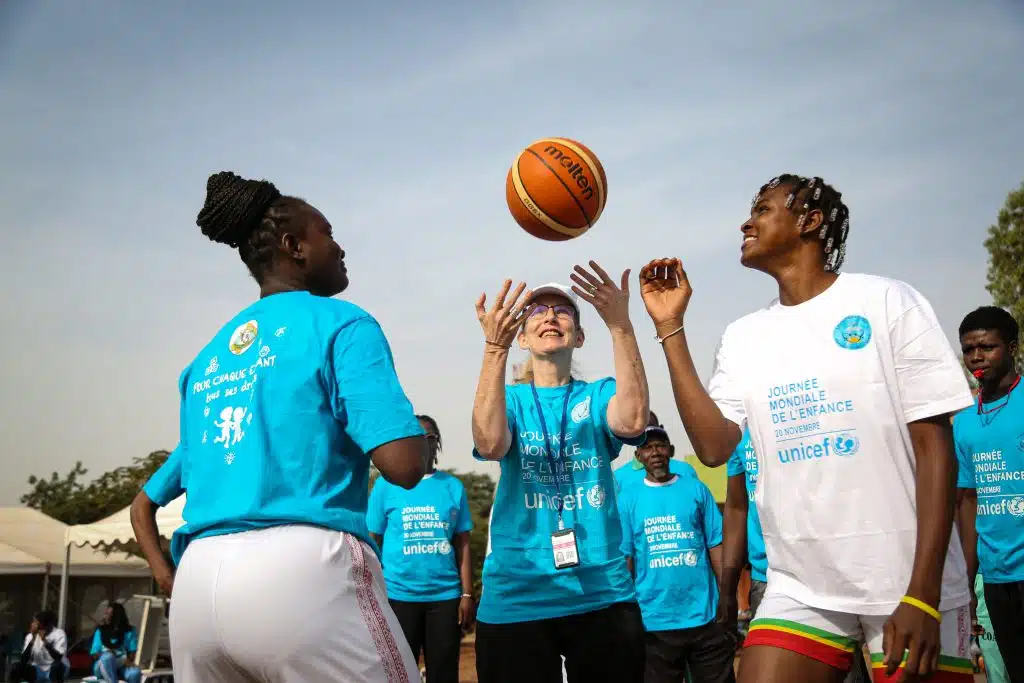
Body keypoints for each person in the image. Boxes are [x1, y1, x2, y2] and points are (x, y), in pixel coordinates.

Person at [638, 174, 975, 683]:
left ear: (809, 221)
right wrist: (670, 328)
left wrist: (923, 595)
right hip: (800, 583)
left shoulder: (886, 301)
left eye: (764, 208)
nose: (747, 222)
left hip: (903, 579)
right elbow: (713, 446)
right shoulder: (744, 336)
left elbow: (935, 449)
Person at [130, 171, 428, 683]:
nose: (339, 246)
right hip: (302, 573)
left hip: (199, 587)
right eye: (327, 233)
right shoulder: (341, 323)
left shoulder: (206, 359)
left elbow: (149, 501)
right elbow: (403, 466)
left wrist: (167, 572)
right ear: (294, 247)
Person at [470, 266, 651, 683]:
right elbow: (491, 442)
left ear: (580, 336)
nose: (550, 316)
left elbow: (633, 420)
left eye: (564, 310)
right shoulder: (510, 398)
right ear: (521, 335)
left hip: (601, 591)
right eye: (537, 310)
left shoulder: (598, 393)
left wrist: (621, 326)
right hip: (518, 592)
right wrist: (494, 348)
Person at [719, 429, 872, 683]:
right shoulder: (737, 430)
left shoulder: (800, 417)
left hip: (823, 572)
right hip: (766, 579)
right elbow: (736, 506)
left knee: (846, 673)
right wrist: (728, 588)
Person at [617, 417, 736, 683]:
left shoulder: (696, 489)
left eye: (660, 446)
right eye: (647, 448)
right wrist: (626, 613)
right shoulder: (628, 498)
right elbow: (627, 558)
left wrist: (726, 595)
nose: (655, 453)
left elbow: (715, 544)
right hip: (654, 622)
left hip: (705, 618)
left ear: (670, 450)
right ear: (638, 456)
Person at [367, 414, 475, 683]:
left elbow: (462, 543)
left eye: (429, 437)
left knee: (444, 673)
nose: (423, 443)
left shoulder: (452, 487)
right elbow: (372, 541)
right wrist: (373, 593)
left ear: (436, 442)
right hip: (398, 596)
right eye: (416, 437)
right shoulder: (384, 486)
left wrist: (467, 594)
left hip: (445, 598)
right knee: (400, 672)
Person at [953, 305, 1023, 682]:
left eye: (987, 347)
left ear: (1011, 348)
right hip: (995, 577)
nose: (976, 357)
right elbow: (967, 502)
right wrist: (967, 578)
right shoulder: (963, 421)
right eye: (968, 349)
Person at [614, 411, 697, 495]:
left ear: (661, 428)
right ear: (633, 435)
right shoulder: (619, 478)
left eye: (652, 430)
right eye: (641, 432)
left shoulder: (685, 470)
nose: (654, 452)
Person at [89, 602, 143, 683]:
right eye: (105, 614)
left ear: (116, 617)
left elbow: (131, 656)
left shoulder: (130, 631)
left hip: (122, 666)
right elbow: (94, 655)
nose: (105, 616)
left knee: (135, 673)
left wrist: (121, 660)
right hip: (103, 665)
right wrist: (106, 654)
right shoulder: (100, 631)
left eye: (108, 614)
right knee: (108, 657)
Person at [9, 612, 67, 683]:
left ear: (45, 625)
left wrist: (44, 641)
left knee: (58, 666)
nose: (33, 624)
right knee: (16, 667)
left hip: (54, 670)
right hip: (38, 670)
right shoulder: (30, 636)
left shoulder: (59, 634)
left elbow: (58, 657)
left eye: (36, 623)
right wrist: (32, 640)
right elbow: (23, 660)